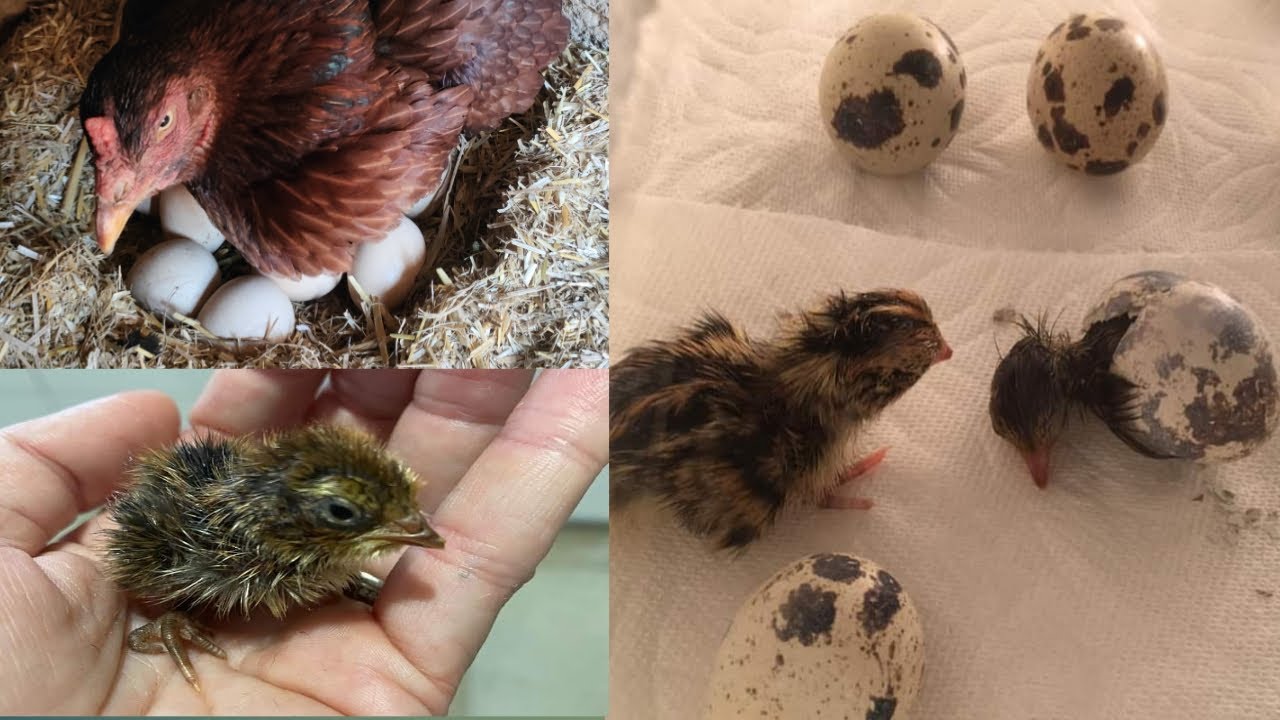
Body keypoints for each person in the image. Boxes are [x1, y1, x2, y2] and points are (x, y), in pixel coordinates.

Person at [0, 369, 607, 714]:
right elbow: (151, 554)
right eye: (344, 513)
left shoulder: (297, 544)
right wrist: (166, 619)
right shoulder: (235, 547)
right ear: (287, 523)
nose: (420, 530)